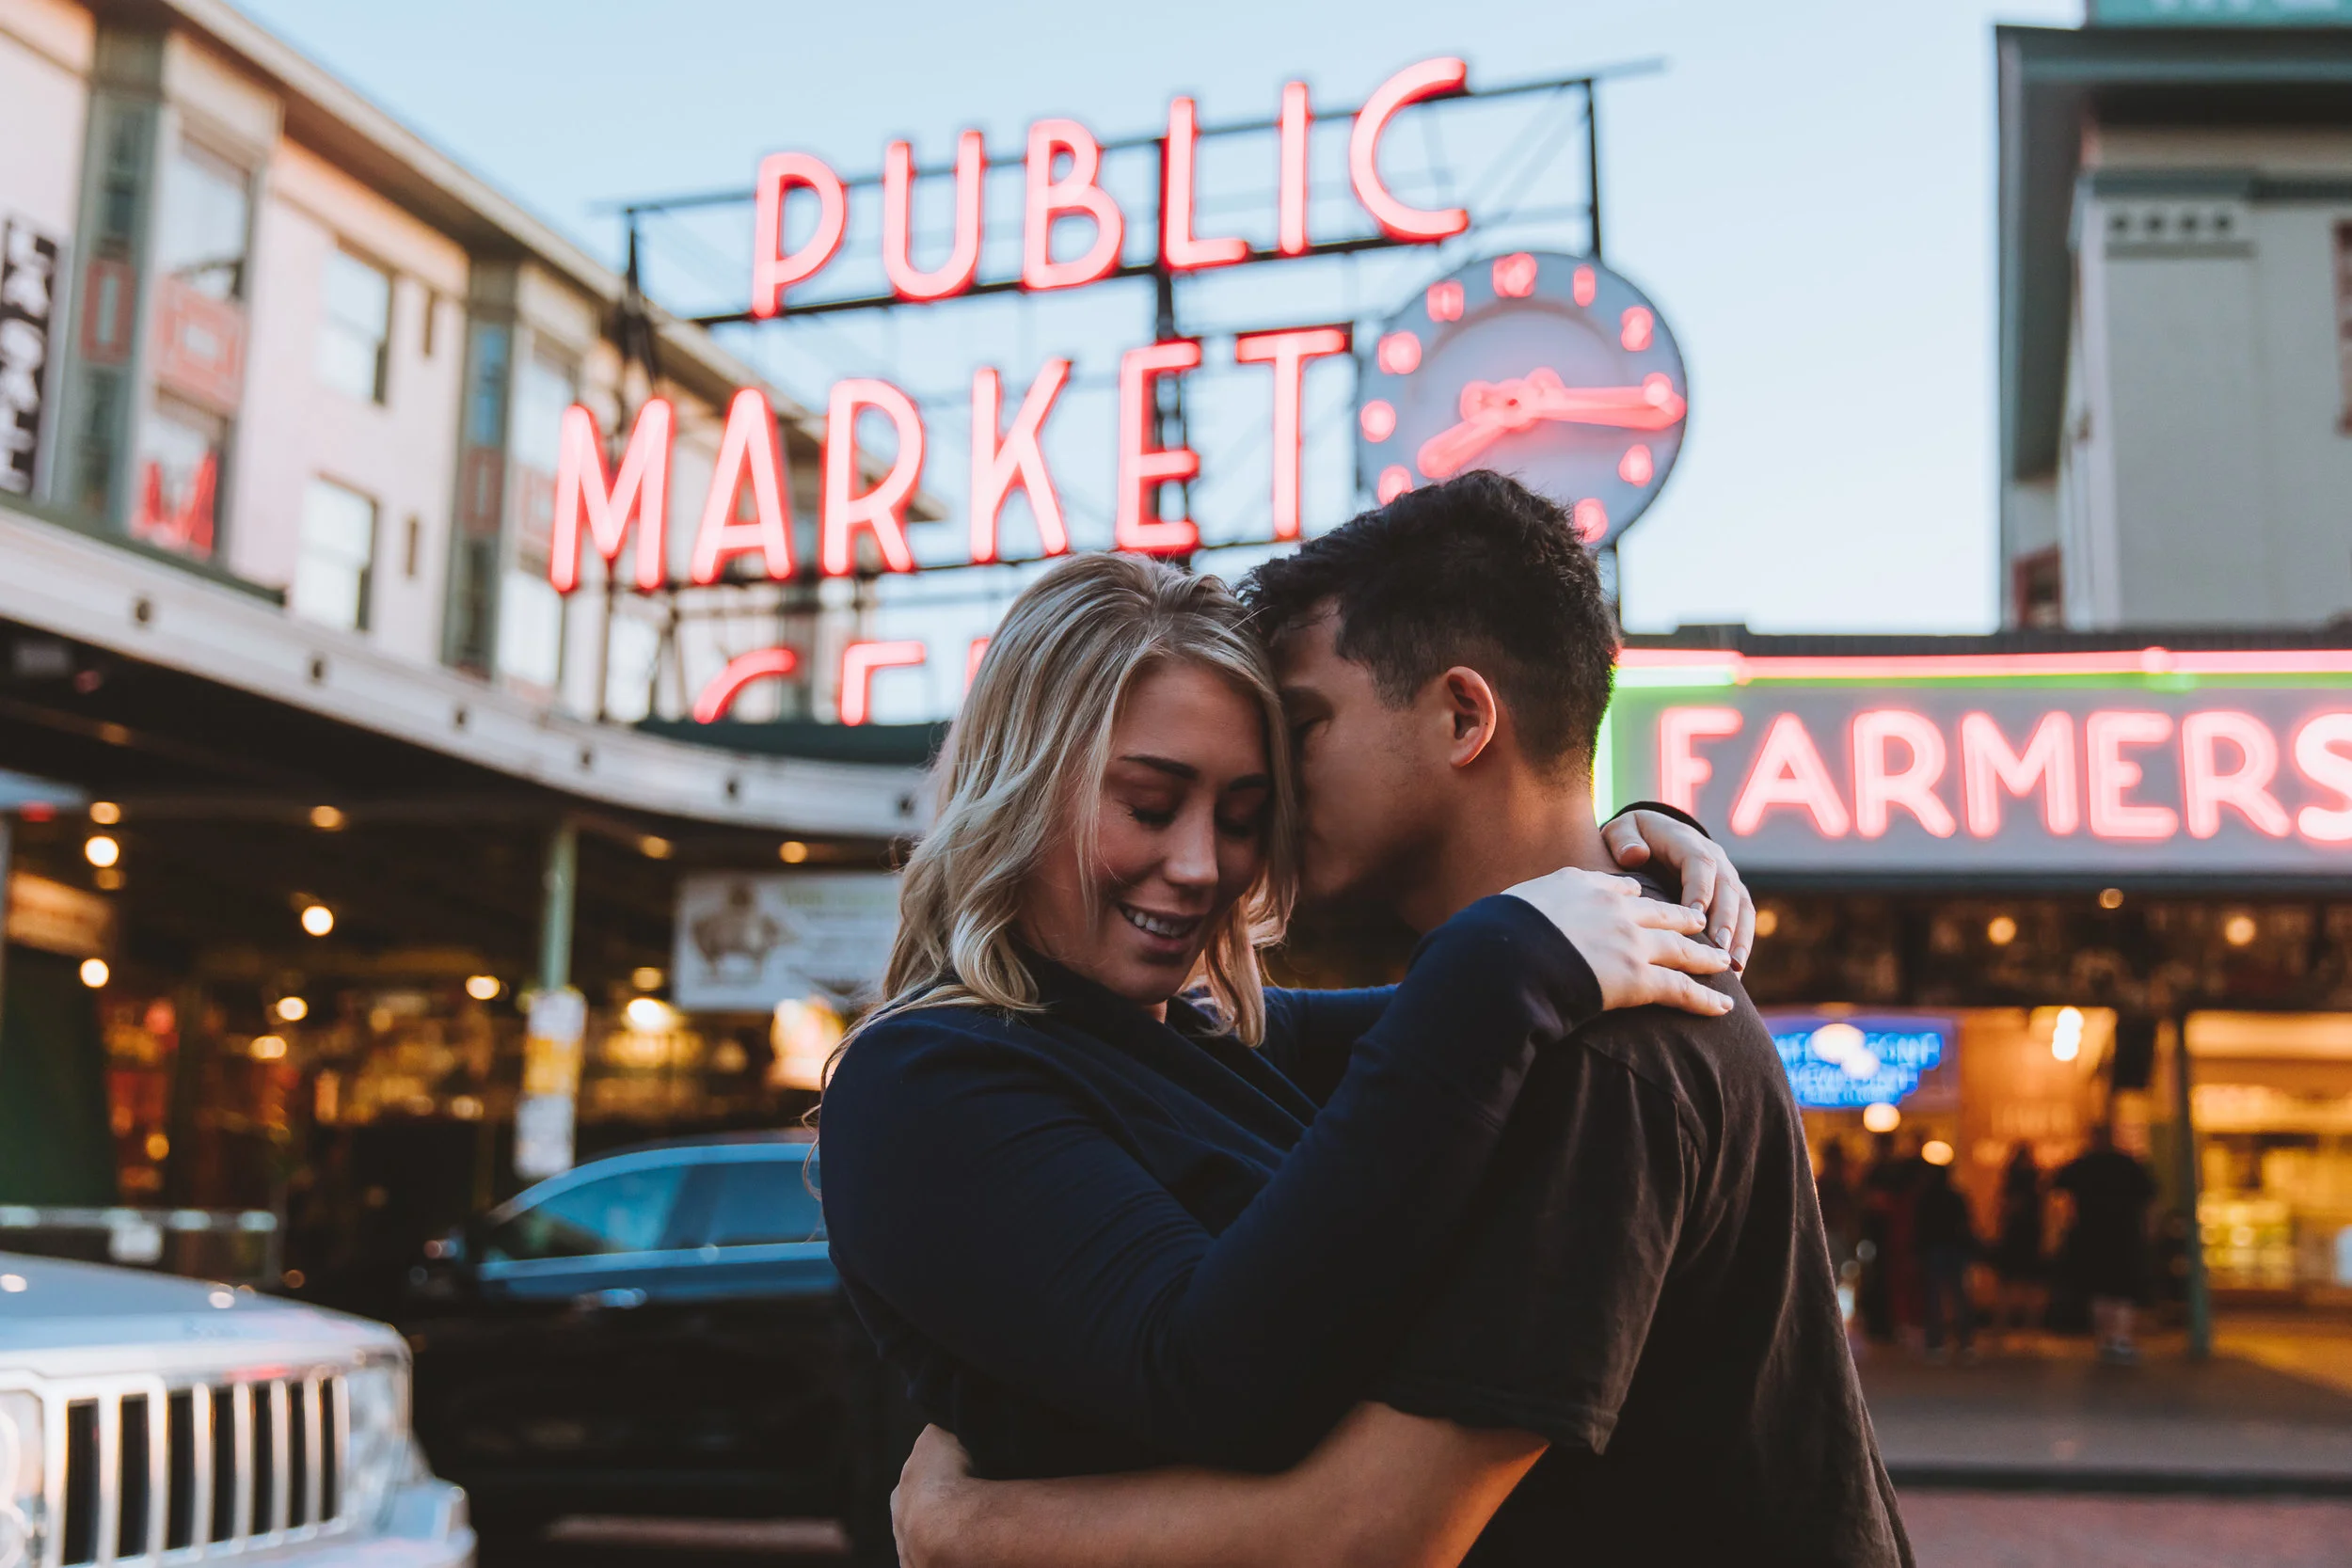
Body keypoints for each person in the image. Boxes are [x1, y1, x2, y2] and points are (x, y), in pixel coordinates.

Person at [878, 472, 1911, 1568]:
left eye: (1295, 738)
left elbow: (1374, 1532)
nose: (1225, 845)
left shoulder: (1596, 1042)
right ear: (1024, 783)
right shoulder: (952, 1074)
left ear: (1465, 716)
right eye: (1149, 803)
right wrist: (1577, 896)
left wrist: (970, 1526)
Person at [2055, 1122, 2155, 1364]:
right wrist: (2149, 1232)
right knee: (2123, 1291)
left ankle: (2106, 1339)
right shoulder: (2128, 1165)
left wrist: (2064, 1224)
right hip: (2125, 1236)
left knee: (2099, 1290)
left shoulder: (2084, 1165)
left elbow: (2057, 1189)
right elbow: (2150, 1200)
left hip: (2091, 1237)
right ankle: (2121, 1339)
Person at [1915, 1159, 1978, 1363]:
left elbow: (1920, 1226)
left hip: (1935, 1250)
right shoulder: (1956, 1197)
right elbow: (1966, 1223)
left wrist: (1918, 1249)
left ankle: (1936, 1341)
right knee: (1959, 1295)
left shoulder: (1926, 1198)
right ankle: (1964, 1340)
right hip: (1955, 1249)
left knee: (1934, 1297)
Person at [1992, 1141, 2047, 1344]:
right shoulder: (2031, 1185)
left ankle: (2015, 1325)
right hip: (2023, 1236)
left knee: (2016, 1283)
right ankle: (2024, 1326)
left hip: (2022, 1235)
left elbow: (2002, 1209)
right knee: (2024, 1283)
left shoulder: (2022, 1185)